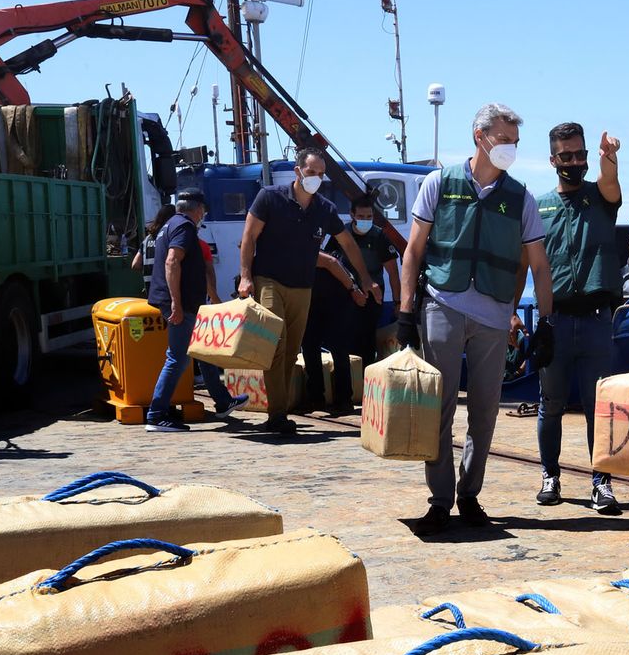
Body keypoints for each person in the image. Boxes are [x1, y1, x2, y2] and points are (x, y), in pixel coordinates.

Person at [396, 102, 557, 536]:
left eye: (515, 142)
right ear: (479, 137)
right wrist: (406, 311)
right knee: (439, 409)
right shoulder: (439, 183)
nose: (510, 148)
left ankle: (469, 495)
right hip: (442, 306)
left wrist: (545, 323)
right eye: (503, 139)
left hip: (494, 317)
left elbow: (539, 266)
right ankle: (439, 501)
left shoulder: (521, 198)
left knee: (484, 412)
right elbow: (413, 251)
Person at [237, 147, 372, 435]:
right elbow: (248, 237)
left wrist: (365, 278)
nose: (317, 178)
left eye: (321, 174)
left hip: (302, 287)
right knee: (276, 344)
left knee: (290, 352)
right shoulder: (270, 197)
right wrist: (246, 277)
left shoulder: (325, 209)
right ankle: (277, 415)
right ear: (298, 171)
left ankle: (279, 411)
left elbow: (348, 244)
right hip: (269, 280)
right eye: (312, 172)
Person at [535, 121, 624, 515]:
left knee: (598, 407)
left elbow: (610, 181)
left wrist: (609, 158)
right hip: (555, 321)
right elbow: (526, 262)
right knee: (550, 404)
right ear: (553, 160)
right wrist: (518, 316)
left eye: (580, 154)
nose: (574, 162)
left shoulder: (600, 197)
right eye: (566, 156)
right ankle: (550, 476)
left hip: (596, 320)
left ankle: (601, 483)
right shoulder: (538, 207)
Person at [143, 190, 248, 431]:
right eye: (203, 211)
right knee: (177, 358)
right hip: (181, 304)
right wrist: (176, 303)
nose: (203, 215)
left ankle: (223, 401)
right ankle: (156, 415)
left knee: (203, 351)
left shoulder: (169, 225)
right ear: (199, 209)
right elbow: (172, 261)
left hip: (184, 302)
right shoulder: (185, 227)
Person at [303, 194, 398, 413]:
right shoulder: (338, 235)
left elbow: (393, 272)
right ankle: (329, 395)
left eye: (369, 216)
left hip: (367, 298)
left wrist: (398, 302)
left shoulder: (379, 237)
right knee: (334, 345)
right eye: (361, 216)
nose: (365, 220)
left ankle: (361, 395)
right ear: (352, 215)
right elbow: (330, 261)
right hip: (337, 298)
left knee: (363, 347)